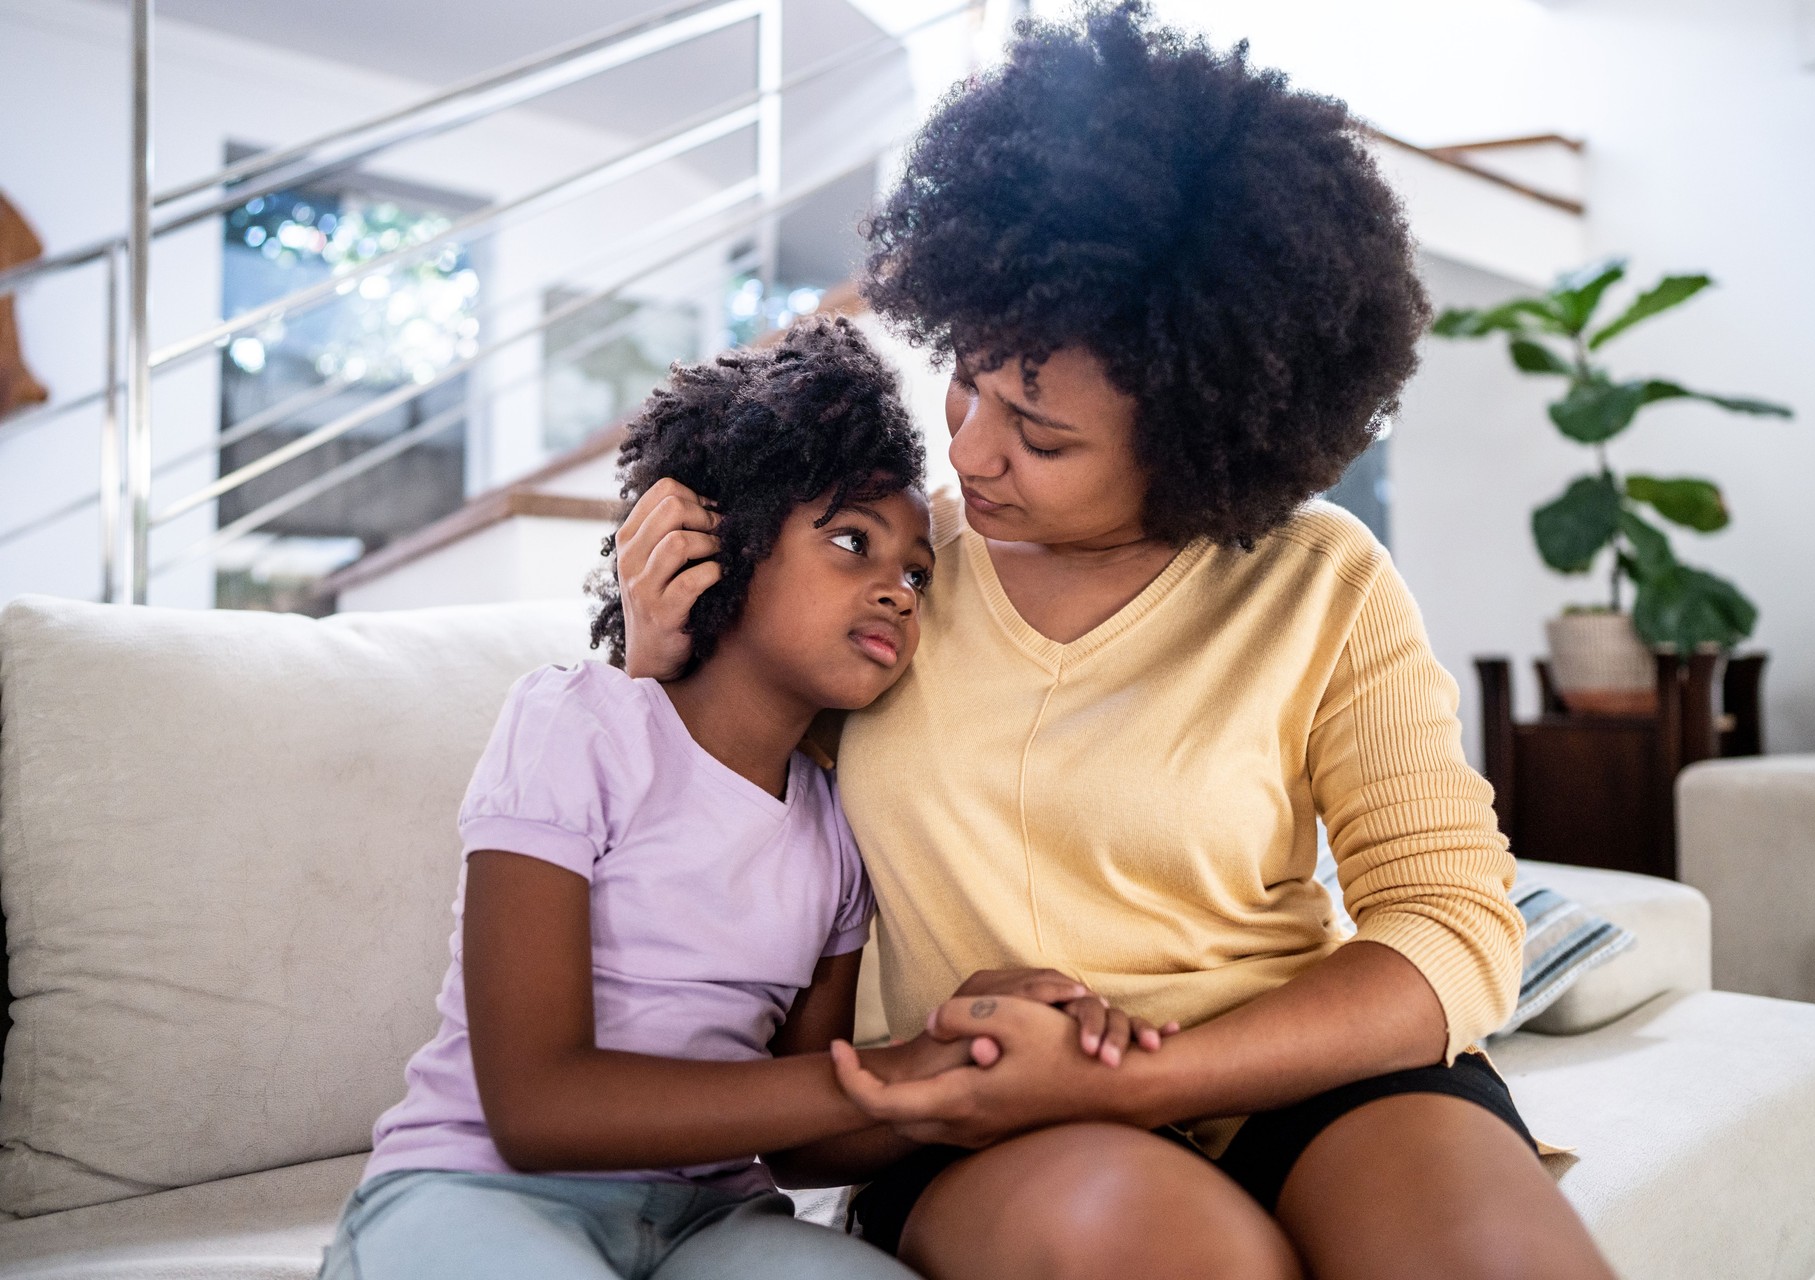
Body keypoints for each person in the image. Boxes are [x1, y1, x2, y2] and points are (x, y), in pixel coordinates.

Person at [613, 8, 1618, 1280]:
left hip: (1293, 1076)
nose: (970, 449)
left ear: (1205, 438)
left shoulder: (1319, 582)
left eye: (1038, 432)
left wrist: (1163, 1073)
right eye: (966, 381)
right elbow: (687, 827)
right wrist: (661, 655)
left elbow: (1452, 923)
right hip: (980, 1122)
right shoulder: (883, 572)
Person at [320, 318, 996, 1280]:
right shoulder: (577, 726)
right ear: (731, 535)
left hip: (712, 1220)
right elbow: (536, 1109)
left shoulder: (837, 833)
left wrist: (957, 1066)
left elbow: (800, 1145)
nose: (896, 590)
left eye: (917, 575)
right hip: (482, 1187)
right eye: (853, 542)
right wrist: (883, 1077)